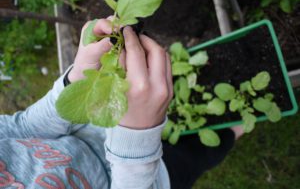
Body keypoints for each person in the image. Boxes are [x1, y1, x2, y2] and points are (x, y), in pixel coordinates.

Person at [0, 18, 241, 188]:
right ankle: (239, 122)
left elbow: (21, 128)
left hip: (107, 122)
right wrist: (137, 141)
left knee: (175, 100)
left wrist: (78, 79)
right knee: (202, 152)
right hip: (152, 177)